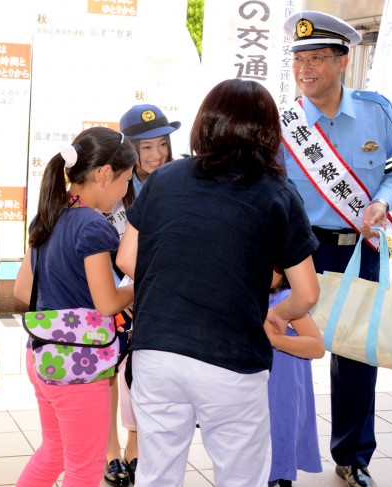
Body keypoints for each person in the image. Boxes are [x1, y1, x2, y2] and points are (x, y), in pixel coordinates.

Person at [116, 78, 320, 487]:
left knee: (156, 474)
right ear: (267, 131)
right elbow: (308, 293)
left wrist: (180, 277)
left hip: (157, 351)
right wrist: (278, 314)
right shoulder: (277, 192)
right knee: (240, 476)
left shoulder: (165, 179)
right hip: (231, 357)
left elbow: (126, 258)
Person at [281, 11, 392, 487]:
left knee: (357, 356)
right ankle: (280, 460)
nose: (306, 69)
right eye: (300, 59)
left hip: (359, 250)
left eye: (318, 57)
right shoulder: (285, 125)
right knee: (286, 354)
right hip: (298, 254)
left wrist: (382, 201)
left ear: (343, 62)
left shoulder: (377, 112)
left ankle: (353, 456)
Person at [13, 126, 136, 487]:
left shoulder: (48, 215)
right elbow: (107, 302)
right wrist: (139, 287)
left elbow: (23, 290)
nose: (126, 191)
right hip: (78, 364)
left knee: (54, 452)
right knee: (85, 467)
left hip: (40, 354)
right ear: (104, 175)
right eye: (126, 180)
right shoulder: (94, 226)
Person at [102, 103, 181, 486]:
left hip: (157, 293)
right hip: (114, 293)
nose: (155, 155)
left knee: (141, 372)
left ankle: (135, 447)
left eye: (161, 144)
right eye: (145, 147)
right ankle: (110, 449)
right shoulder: (114, 184)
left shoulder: (180, 180)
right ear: (128, 149)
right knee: (108, 370)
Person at [265, 268, 325, 487]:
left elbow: (317, 347)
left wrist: (274, 339)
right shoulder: (250, 296)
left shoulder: (287, 300)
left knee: (278, 446)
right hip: (260, 390)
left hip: (282, 392)